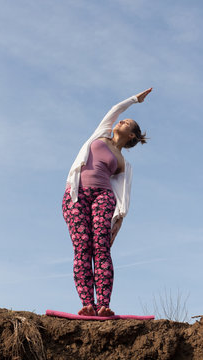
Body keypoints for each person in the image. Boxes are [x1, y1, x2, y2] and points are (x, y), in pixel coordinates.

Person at [62, 88, 152, 316]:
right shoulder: (101, 134)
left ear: (131, 135)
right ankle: (87, 304)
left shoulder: (123, 163)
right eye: (123, 120)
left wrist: (117, 224)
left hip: (103, 198)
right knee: (82, 246)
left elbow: (123, 197)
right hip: (76, 194)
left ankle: (103, 305)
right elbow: (114, 111)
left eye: (127, 122)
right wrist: (134, 100)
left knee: (101, 249)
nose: (122, 121)